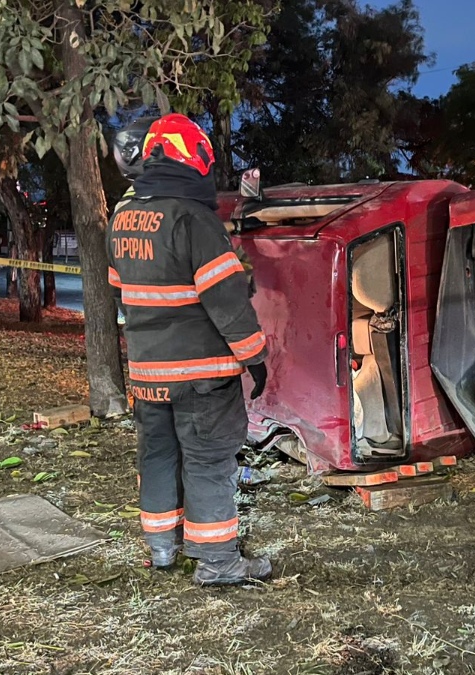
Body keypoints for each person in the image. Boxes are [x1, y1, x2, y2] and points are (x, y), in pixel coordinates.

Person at [107, 113, 271, 586]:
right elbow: (226, 300)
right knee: (208, 461)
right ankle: (218, 563)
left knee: (157, 456)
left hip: (148, 373)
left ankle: (162, 550)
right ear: (192, 158)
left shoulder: (123, 216)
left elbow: (121, 286)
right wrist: (254, 357)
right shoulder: (193, 219)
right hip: (202, 376)